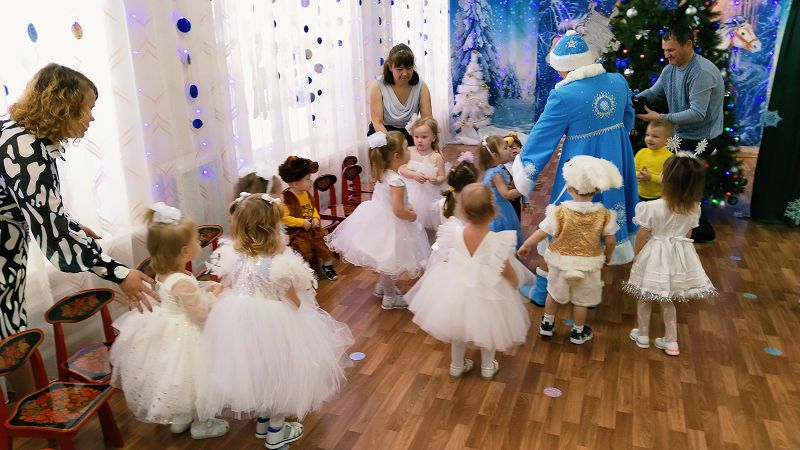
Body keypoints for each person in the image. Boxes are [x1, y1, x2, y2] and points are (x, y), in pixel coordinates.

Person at [0, 63, 156, 339]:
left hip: (7, 249)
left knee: (9, 334)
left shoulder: (20, 134)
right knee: (8, 338)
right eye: (88, 108)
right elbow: (54, 235)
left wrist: (69, 225)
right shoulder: (26, 151)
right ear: (64, 107)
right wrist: (119, 273)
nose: (91, 118)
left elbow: (35, 206)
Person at [197, 193, 354, 449]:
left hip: (238, 321)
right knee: (282, 375)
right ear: (271, 229)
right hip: (275, 324)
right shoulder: (279, 265)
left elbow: (229, 285)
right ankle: (276, 431)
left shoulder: (235, 257)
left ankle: (262, 420)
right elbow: (293, 303)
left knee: (258, 372)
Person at [511, 30, 638, 306]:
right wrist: (614, 144)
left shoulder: (564, 96)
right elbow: (628, 118)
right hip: (616, 162)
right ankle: (588, 292)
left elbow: (542, 137)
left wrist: (524, 173)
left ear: (566, 67)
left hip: (580, 167)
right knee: (601, 220)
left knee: (563, 221)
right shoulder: (618, 82)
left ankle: (543, 291)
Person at [109, 203, 229, 439]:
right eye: (196, 240)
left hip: (168, 330)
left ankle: (181, 417)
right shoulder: (183, 281)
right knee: (198, 379)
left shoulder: (165, 274)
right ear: (185, 251)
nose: (199, 242)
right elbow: (200, 313)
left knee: (177, 377)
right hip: (188, 333)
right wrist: (214, 295)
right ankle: (202, 424)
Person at [408, 183, 531, 380]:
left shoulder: (454, 232)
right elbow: (506, 269)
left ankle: (456, 365)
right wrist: (515, 283)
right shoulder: (496, 241)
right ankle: (488, 367)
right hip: (489, 291)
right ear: (492, 211)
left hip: (458, 288)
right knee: (489, 327)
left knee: (458, 329)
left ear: (462, 210)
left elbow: (445, 256)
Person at [518, 156, 621, 345]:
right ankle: (578, 332)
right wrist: (608, 256)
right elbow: (611, 240)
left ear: (570, 188)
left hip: (560, 261)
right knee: (582, 300)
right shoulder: (604, 214)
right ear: (598, 189)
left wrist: (526, 245)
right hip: (588, 264)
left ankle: (547, 325)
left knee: (553, 293)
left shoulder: (559, 212)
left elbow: (542, 232)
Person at [635, 25, 725, 242]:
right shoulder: (670, 69)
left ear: (688, 45)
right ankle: (671, 224)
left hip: (702, 137)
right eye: (665, 50)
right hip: (680, 133)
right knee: (671, 177)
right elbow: (654, 93)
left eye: (671, 50)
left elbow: (698, 113)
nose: (667, 55)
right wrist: (634, 99)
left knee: (681, 181)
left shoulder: (701, 73)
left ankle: (697, 228)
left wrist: (661, 117)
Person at [624, 154, 716, 356]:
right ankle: (671, 341)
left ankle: (642, 335)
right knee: (667, 299)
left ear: (664, 179)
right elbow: (688, 235)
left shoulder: (651, 207)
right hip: (678, 255)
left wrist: (637, 255)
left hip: (653, 255)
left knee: (645, 295)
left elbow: (642, 235)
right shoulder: (693, 208)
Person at [326, 131, 430, 309]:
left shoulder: (384, 174)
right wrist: (413, 215)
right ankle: (390, 298)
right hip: (392, 223)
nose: (409, 151)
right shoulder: (396, 181)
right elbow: (398, 210)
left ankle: (382, 287)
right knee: (388, 260)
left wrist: (407, 206)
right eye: (406, 148)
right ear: (396, 156)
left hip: (378, 219)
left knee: (385, 258)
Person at [278, 156, 338, 281]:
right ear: (295, 183)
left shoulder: (306, 194)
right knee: (302, 250)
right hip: (297, 232)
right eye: (308, 179)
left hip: (312, 228)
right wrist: (301, 222)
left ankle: (327, 266)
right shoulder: (286, 197)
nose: (311, 182)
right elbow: (284, 218)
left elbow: (313, 208)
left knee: (324, 246)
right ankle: (303, 271)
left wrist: (315, 218)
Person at [368, 44, 433, 147]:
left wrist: (433, 144)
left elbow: (427, 120)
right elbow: (378, 122)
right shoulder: (377, 86)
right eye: (399, 69)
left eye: (409, 68)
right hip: (382, 133)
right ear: (390, 67)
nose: (405, 73)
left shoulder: (421, 86)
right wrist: (394, 145)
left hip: (410, 135)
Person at [399, 117, 446, 234]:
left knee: (426, 216)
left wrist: (437, 180)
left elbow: (442, 176)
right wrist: (413, 174)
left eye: (424, 137)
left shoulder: (437, 157)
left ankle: (424, 234)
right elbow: (401, 169)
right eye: (416, 137)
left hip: (429, 193)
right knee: (410, 215)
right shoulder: (409, 152)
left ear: (433, 138)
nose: (419, 140)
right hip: (410, 190)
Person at [477, 136, 523, 248]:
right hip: (501, 211)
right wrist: (524, 189)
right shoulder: (496, 173)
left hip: (495, 208)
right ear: (495, 156)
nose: (509, 149)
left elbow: (503, 188)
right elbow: (506, 194)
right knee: (505, 239)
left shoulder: (491, 171)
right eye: (505, 148)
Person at [635, 119, 675, 202]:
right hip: (638, 195)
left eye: (655, 136)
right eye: (647, 135)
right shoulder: (641, 152)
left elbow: (669, 180)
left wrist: (650, 177)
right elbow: (631, 171)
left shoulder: (670, 157)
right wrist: (639, 175)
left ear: (667, 140)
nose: (649, 139)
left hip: (660, 198)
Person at [503, 132, 524, 219]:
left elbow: (524, 181)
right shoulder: (502, 167)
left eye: (517, 146)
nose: (515, 148)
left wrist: (525, 201)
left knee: (516, 219)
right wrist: (527, 188)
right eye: (511, 147)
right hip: (505, 202)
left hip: (516, 200)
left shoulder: (521, 165)